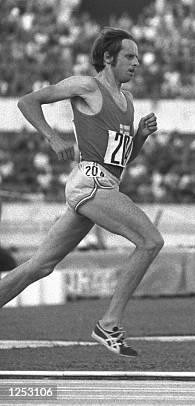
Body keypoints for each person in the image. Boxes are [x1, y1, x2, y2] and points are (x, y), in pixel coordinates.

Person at [0, 27, 164, 357]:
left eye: (137, 57)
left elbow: (121, 161)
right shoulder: (87, 86)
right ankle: (109, 324)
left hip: (104, 184)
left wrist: (141, 136)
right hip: (90, 183)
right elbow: (28, 101)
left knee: (40, 266)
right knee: (151, 241)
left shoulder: (127, 100)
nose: (137, 63)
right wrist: (52, 137)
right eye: (129, 56)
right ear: (108, 57)